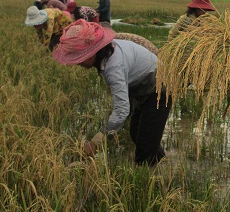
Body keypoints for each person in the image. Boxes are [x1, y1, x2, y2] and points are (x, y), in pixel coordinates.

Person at [51, 19, 172, 166]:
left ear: (92, 52)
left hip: (160, 89)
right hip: (143, 88)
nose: (78, 62)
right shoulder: (108, 52)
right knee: (136, 133)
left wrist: (97, 140)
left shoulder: (113, 66)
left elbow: (122, 110)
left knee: (144, 147)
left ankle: (152, 176)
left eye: (79, 57)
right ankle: (162, 162)